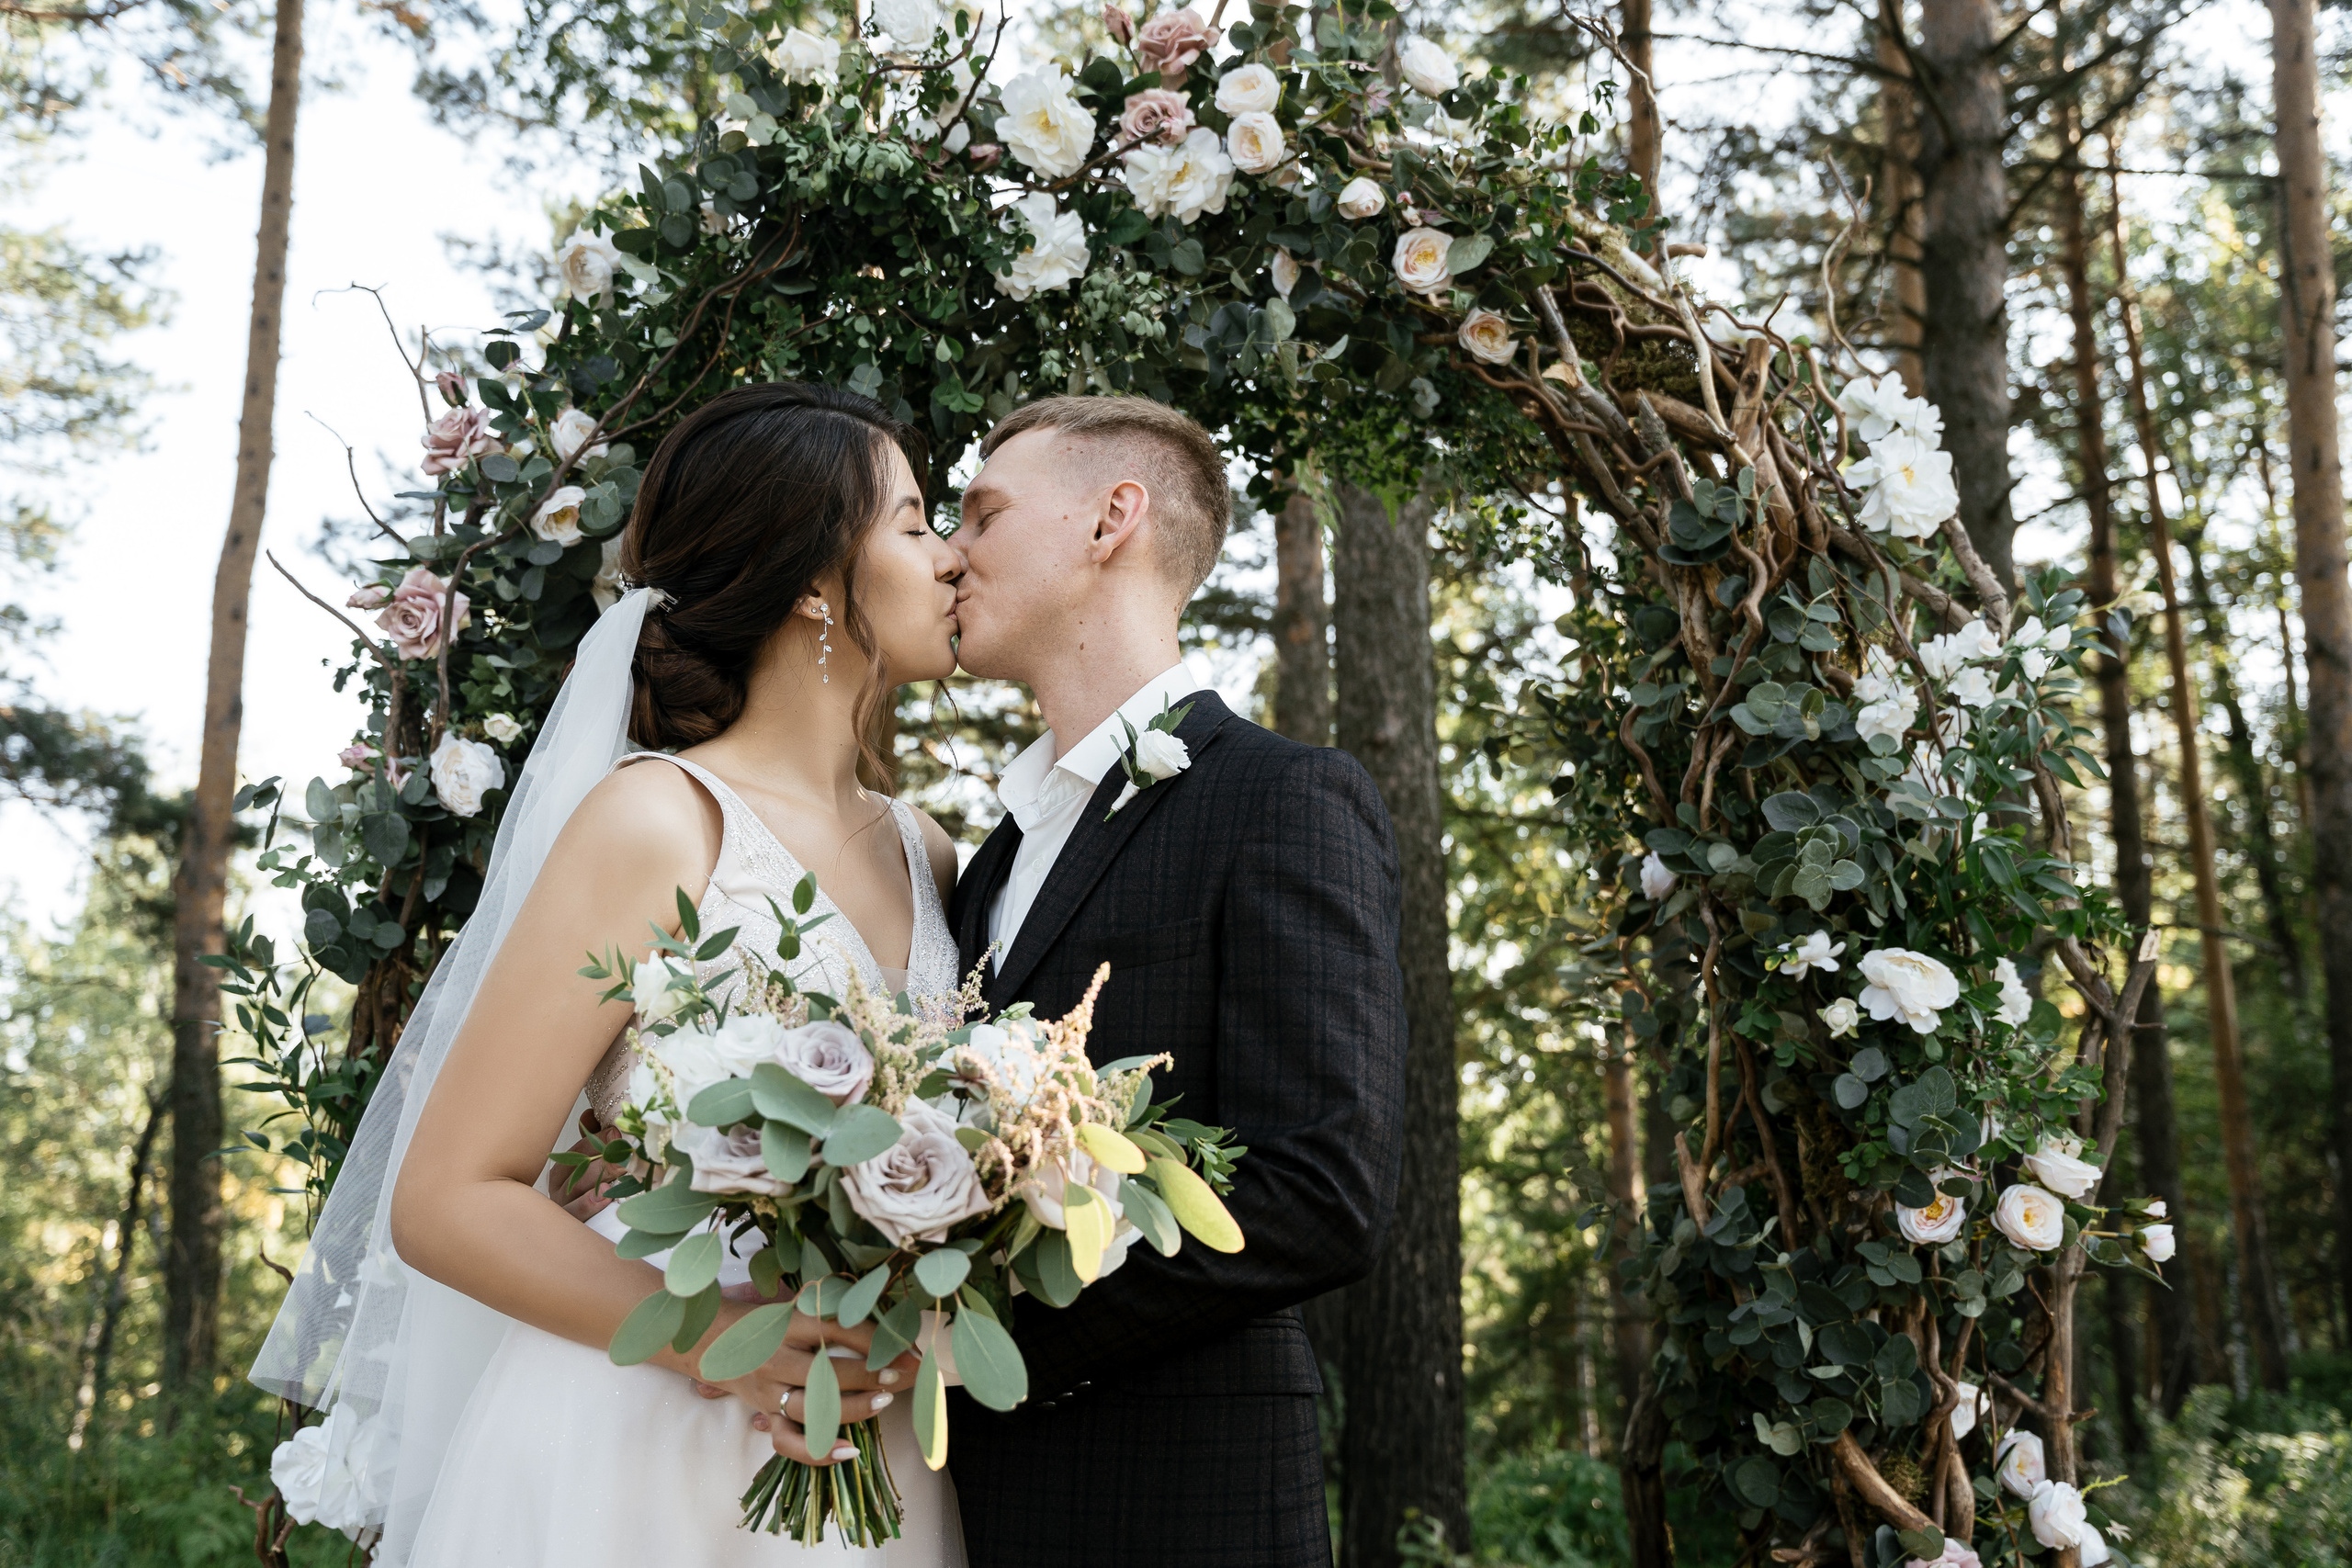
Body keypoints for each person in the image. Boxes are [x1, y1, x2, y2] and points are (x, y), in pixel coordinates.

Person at [252, 382, 974, 1566]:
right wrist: (715, 1340)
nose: (948, 559)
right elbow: (446, 1198)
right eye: (912, 522)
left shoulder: (930, 850)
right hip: (647, 1436)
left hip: (872, 1436)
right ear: (809, 581)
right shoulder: (658, 822)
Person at [941, 397, 1408, 1566]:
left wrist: (964, 1334)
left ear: (1113, 519)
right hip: (973, 1508)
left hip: (1184, 1503)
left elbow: (1320, 1190)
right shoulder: (986, 858)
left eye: (983, 513)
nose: (950, 552)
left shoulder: (1280, 799)